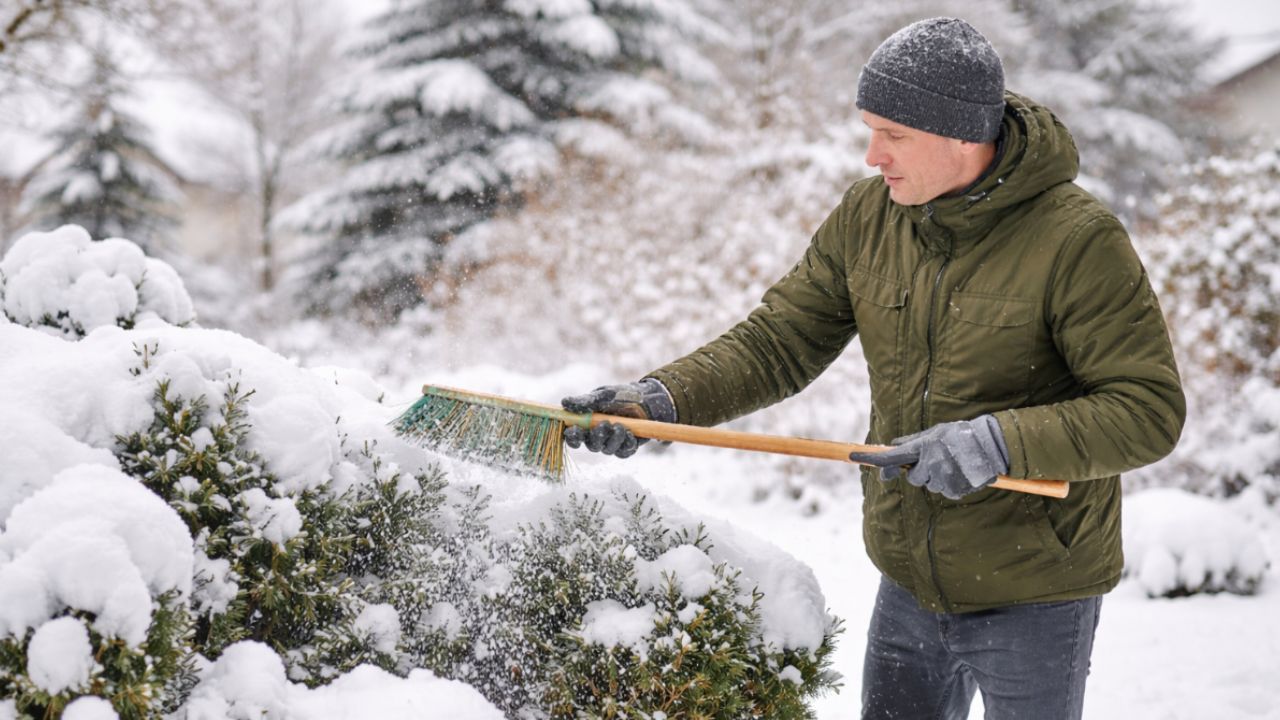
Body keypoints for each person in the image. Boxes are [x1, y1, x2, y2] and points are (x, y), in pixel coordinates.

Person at [561, 16, 1185, 720]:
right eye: (870, 129)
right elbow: (779, 341)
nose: (871, 156)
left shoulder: (1075, 240)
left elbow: (1147, 410)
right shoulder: (870, 218)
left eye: (893, 135)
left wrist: (997, 442)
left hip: (1035, 587)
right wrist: (661, 402)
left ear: (961, 135)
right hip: (909, 580)